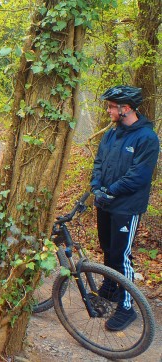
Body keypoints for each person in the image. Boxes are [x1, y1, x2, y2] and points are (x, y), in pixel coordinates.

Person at [90, 85, 159, 331]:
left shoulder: (147, 138)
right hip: (105, 202)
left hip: (126, 207)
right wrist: (96, 186)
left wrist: (111, 191)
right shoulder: (111, 133)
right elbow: (99, 162)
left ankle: (127, 306)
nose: (108, 110)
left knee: (122, 256)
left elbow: (138, 176)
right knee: (107, 250)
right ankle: (110, 289)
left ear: (126, 108)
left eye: (111, 106)